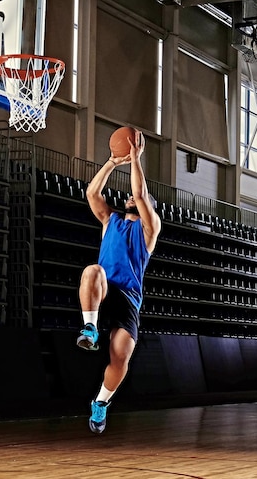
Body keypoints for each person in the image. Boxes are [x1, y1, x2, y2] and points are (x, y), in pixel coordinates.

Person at [76, 128, 161, 434]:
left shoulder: (150, 229)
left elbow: (140, 195)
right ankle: (90, 326)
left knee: (120, 357)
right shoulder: (110, 220)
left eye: (139, 199)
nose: (130, 197)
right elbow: (91, 194)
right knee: (92, 271)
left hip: (128, 297)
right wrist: (112, 162)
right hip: (104, 288)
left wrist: (136, 158)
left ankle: (100, 403)